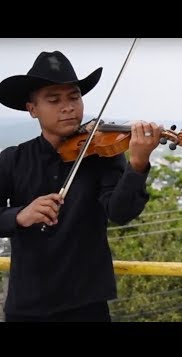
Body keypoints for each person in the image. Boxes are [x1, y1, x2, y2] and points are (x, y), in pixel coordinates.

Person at [0, 50, 164, 322]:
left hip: (86, 303)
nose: (68, 107)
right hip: (27, 303)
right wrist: (18, 215)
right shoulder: (12, 160)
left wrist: (138, 164)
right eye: (54, 100)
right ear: (32, 109)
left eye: (74, 97)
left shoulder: (103, 155)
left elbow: (120, 212)